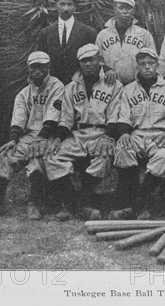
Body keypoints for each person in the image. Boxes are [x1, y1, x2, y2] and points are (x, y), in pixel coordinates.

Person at [44, 44, 123, 221]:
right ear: (79, 63)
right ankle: (79, 202)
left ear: (100, 61)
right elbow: (66, 118)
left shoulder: (113, 84)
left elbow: (114, 116)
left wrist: (109, 137)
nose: (88, 64)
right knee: (52, 157)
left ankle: (78, 202)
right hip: (78, 134)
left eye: (91, 60)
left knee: (103, 159)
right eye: (83, 61)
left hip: (101, 132)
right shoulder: (71, 87)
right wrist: (57, 138)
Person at [0, 51, 64, 220]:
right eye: (33, 66)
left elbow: (53, 116)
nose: (37, 70)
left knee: (37, 160)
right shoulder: (23, 93)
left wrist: (41, 139)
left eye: (41, 66)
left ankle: (33, 203)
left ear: (48, 67)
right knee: (3, 156)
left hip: (49, 134)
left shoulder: (57, 86)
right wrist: (13, 140)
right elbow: (19, 119)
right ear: (28, 68)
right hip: (27, 136)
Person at [113, 48, 165, 220]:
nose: (147, 67)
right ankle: (138, 204)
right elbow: (124, 116)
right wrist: (124, 134)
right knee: (123, 149)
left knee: (164, 157)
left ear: (157, 65)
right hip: (137, 133)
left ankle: (137, 203)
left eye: (151, 64)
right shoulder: (128, 90)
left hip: (160, 135)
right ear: (137, 67)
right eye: (143, 64)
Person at [37, 0, 98, 85]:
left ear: (75, 7)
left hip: (79, 86)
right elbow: (41, 61)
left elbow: (94, 61)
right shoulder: (45, 33)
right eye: (62, 4)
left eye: (70, 4)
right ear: (56, 5)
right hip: (53, 86)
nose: (66, 8)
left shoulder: (88, 32)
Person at [96, 0, 157, 85]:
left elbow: (153, 60)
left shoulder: (144, 34)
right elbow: (97, 59)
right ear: (114, 10)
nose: (125, 11)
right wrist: (107, 69)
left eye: (128, 8)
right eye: (121, 7)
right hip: (109, 84)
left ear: (133, 11)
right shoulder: (103, 35)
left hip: (136, 84)